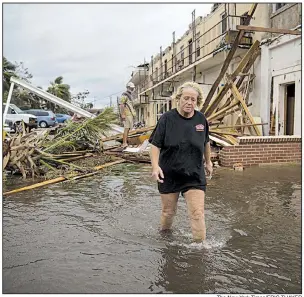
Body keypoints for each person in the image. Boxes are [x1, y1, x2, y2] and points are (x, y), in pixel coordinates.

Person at [149, 81, 213, 242]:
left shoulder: (201, 120)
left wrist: (209, 162)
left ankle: (200, 251)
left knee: (197, 213)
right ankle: (164, 239)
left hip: (194, 174)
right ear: (178, 98)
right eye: (186, 98)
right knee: (168, 212)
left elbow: (206, 142)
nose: (189, 102)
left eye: (193, 100)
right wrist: (155, 166)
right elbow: (155, 145)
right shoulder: (166, 119)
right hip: (169, 173)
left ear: (197, 102)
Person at [119, 82, 136, 148]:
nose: (132, 89)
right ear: (128, 88)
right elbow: (122, 105)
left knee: (128, 129)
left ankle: (126, 142)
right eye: (131, 88)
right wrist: (123, 114)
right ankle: (124, 143)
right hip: (127, 115)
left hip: (130, 115)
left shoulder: (129, 95)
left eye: (132, 88)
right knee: (126, 129)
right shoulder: (125, 95)